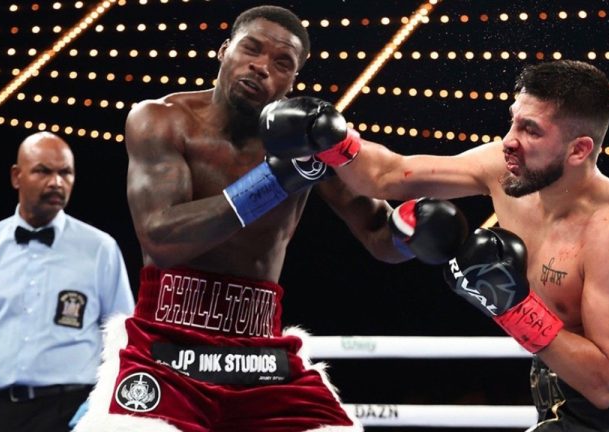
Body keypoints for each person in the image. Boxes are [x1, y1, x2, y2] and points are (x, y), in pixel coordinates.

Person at [74, 5, 467, 432]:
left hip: (259, 352)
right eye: (251, 50)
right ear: (225, 51)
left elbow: (376, 233)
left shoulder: (309, 140)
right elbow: (162, 240)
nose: (261, 67)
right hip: (166, 345)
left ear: (292, 82)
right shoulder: (163, 120)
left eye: (281, 63)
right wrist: (276, 180)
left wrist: (415, 231)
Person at [265, 60, 609, 430]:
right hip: (559, 394)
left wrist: (511, 307)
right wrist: (336, 143)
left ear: (579, 150)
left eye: (530, 130)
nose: (509, 139)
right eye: (513, 120)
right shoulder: (504, 169)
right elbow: (388, 176)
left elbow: (605, 385)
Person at [0, 131, 135, 432]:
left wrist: (98, 409)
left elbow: (123, 339)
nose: (56, 182)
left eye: (65, 172)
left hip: (68, 408)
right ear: (17, 176)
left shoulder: (100, 248)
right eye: (43, 171)